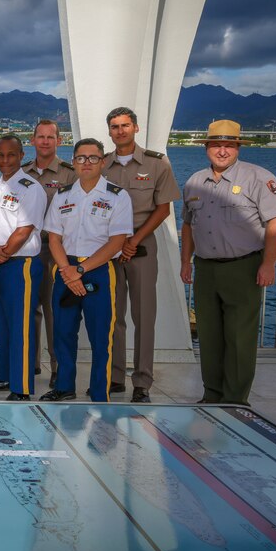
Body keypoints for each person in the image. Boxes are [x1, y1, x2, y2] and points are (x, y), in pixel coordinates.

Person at [180, 120, 276, 405]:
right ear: (206, 148)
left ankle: (236, 400)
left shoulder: (259, 178)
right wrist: (185, 262)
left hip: (243, 267)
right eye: (216, 145)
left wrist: (268, 264)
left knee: (240, 338)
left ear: (238, 147)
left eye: (229, 145)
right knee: (209, 335)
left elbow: (275, 224)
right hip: (205, 268)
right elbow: (189, 226)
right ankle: (212, 395)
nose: (222, 151)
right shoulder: (194, 182)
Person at [41, 139, 133, 403]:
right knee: (63, 332)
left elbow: (117, 242)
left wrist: (79, 269)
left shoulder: (117, 196)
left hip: (100, 270)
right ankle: (64, 387)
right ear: (73, 162)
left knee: (101, 335)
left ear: (102, 162)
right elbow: (54, 238)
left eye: (93, 158)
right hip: (66, 268)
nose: (86, 163)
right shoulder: (62, 195)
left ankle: (99, 391)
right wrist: (68, 270)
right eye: (81, 158)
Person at [102, 106, 179, 403]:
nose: (120, 131)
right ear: (109, 131)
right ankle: (116, 376)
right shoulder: (103, 166)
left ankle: (143, 381)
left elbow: (163, 208)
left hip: (141, 247)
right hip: (109, 249)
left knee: (144, 315)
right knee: (113, 315)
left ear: (136, 128)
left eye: (125, 125)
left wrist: (134, 239)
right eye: (114, 126)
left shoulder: (157, 164)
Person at [0, 135, 47, 400]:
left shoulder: (31, 188)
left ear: (21, 156)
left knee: (21, 327)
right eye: (0, 155)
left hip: (21, 266)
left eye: (10, 155)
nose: (5, 160)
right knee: (2, 325)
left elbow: (24, 230)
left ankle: (22, 387)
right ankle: (5, 376)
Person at [20, 119, 76, 386]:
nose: (44, 141)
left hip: (57, 249)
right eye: (40, 137)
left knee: (54, 310)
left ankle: (57, 367)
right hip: (27, 249)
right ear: (32, 140)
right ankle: (30, 364)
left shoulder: (70, 174)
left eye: (50, 137)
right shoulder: (22, 174)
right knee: (30, 309)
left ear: (59, 141)